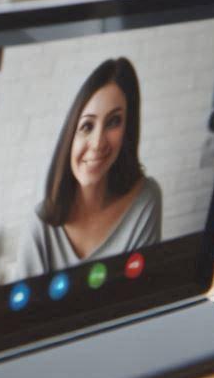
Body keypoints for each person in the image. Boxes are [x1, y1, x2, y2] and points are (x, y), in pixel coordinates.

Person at [18, 57, 161, 278]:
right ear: (70, 136)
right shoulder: (40, 225)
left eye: (113, 122)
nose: (97, 143)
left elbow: (144, 291)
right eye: (87, 126)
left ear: (127, 130)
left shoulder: (145, 200)